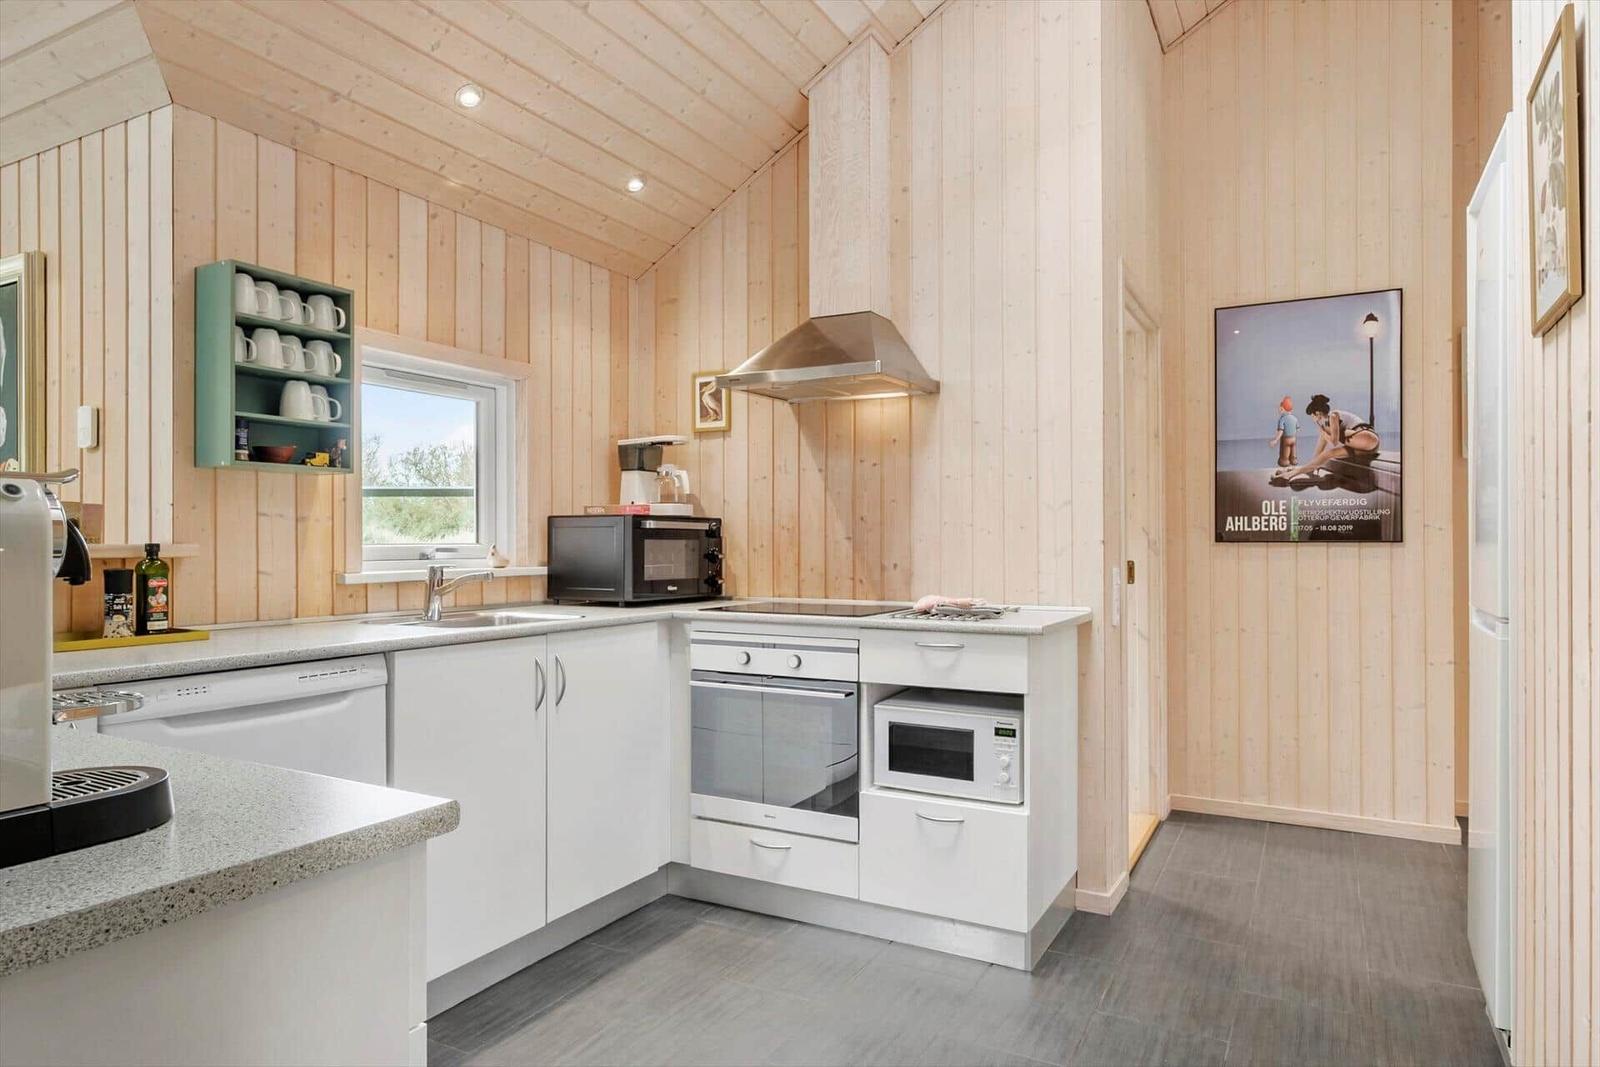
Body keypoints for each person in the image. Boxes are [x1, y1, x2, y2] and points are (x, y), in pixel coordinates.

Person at [1276, 393, 1381, 480]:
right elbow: (1321, 446)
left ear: (1317, 413)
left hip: (1367, 437)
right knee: (1328, 453)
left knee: (1329, 436)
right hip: (1365, 448)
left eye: (1312, 416)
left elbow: (1334, 442)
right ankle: (1297, 471)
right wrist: (1312, 464)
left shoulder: (1333, 416)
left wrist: (1324, 433)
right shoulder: (1325, 424)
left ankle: (1292, 474)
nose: (1312, 419)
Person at [1268, 395, 1298, 468]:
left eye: (1280, 409)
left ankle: (1284, 464)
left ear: (1282, 409)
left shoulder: (1282, 419)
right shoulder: (1295, 418)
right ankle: (1293, 462)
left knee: (1285, 455)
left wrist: (1275, 440)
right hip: (1293, 438)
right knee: (1293, 453)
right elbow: (1298, 429)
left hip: (1286, 439)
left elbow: (1281, 431)